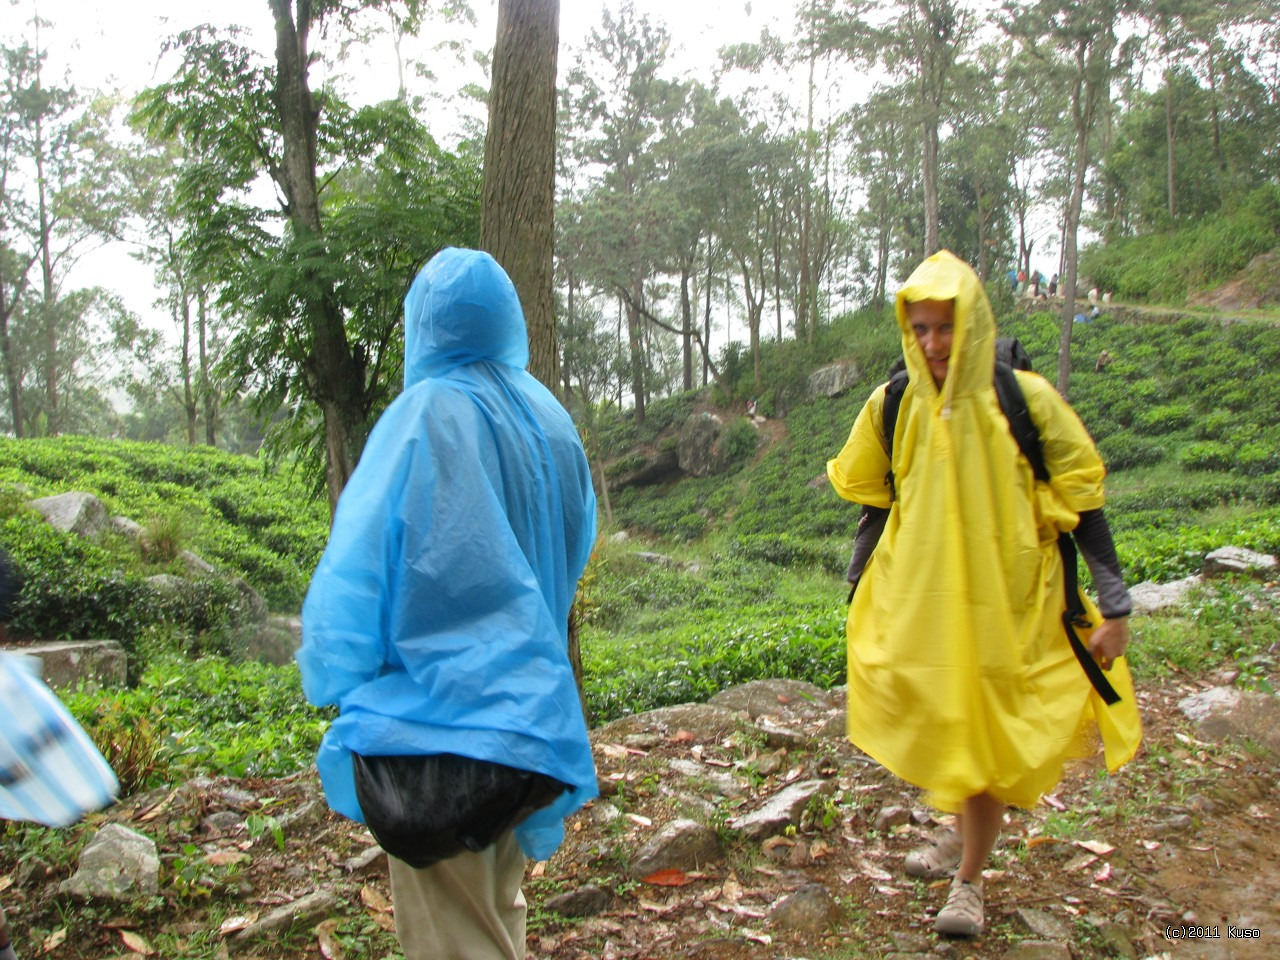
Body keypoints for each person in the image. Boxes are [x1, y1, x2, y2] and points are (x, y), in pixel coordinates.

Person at [826, 250, 1141, 937]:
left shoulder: (1025, 401)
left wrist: (1114, 602)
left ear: (971, 323)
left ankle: (967, 879)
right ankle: (962, 829)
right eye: (923, 330)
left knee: (990, 732)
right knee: (945, 718)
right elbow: (872, 498)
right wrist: (859, 589)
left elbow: (1083, 500)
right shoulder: (894, 403)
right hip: (928, 601)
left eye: (946, 328)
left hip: (1015, 605)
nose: (934, 345)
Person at [296, 248, 597, 960]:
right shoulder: (550, 419)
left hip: (438, 734)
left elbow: (355, 576)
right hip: (530, 726)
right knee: (498, 908)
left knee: (457, 941)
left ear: (423, 325)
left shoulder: (424, 416)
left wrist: (341, 680)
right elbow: (574, 544)